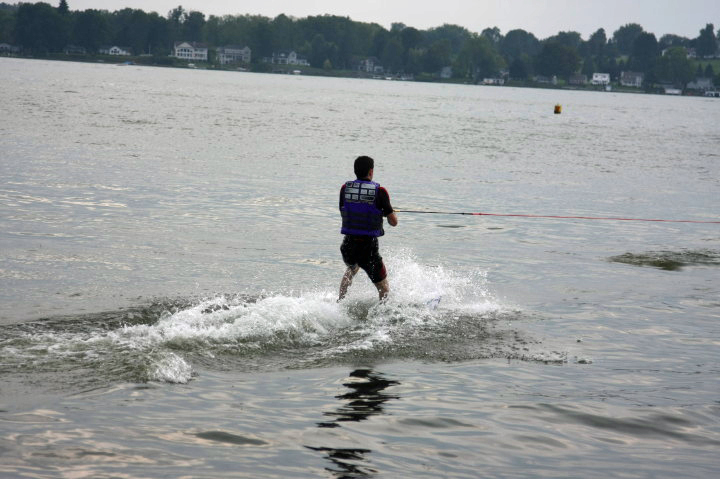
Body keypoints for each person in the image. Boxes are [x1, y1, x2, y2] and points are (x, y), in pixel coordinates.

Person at [338, 156, 398, 301]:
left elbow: (344, 211)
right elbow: (393, 222)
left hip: (348, 245)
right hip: (368, 248)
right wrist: (385, 213)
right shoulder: (380, 191)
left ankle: (339, 302)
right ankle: (383, 313)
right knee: (383, 287)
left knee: (352, 268)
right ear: (371, 171)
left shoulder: (345, 189)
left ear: (355, 171)